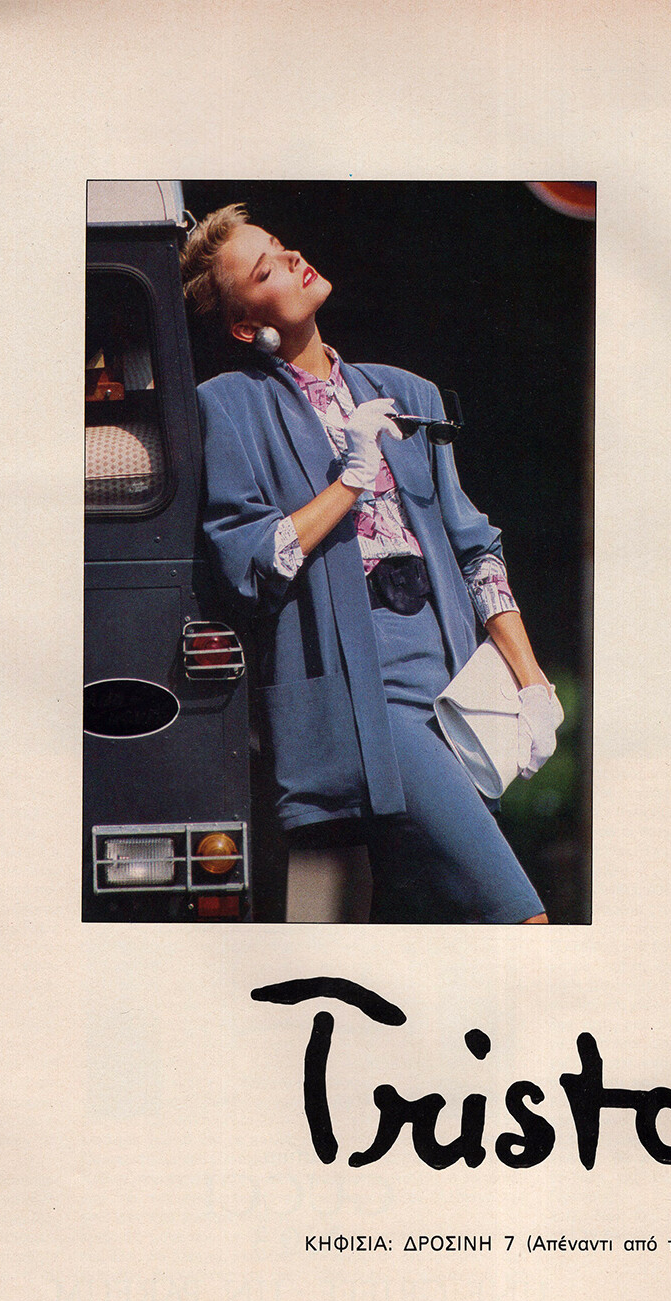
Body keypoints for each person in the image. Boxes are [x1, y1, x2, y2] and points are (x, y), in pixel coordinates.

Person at [181, 204, 561, 923]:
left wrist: (533, 681)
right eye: (264, 270)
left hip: (457, 684)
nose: (292, 259)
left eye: (282, 246)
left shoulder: (408, 396)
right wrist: (351, 480)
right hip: (363, 691)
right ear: (245, 327)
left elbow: (476, 549)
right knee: (518, 916)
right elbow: (249, 560)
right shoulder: (228, 407)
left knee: (424, 925)